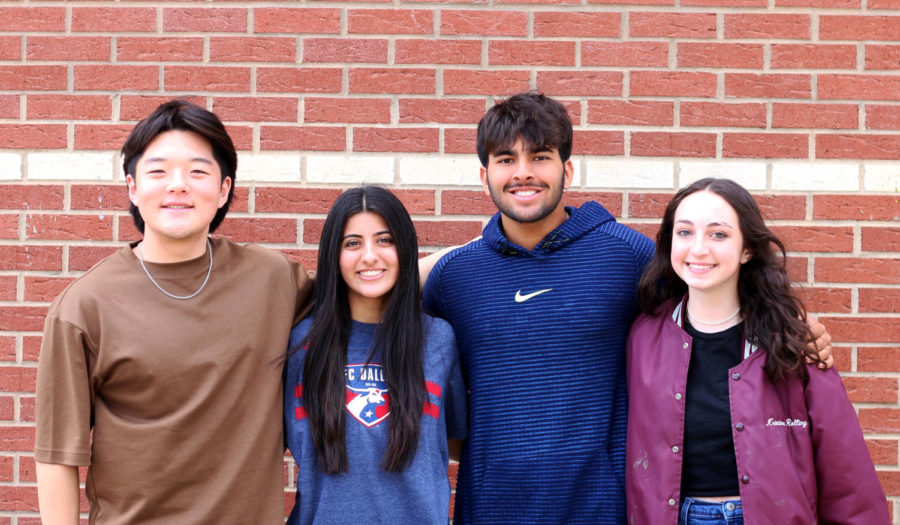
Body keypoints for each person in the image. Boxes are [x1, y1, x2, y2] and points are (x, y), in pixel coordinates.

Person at [421, 92, 834, 524]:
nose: (523, 173)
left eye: (539, 157)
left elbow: (715, 291)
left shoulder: (626, 255)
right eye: (506, 160)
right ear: (484, 174)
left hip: (603, 508)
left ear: (567, 168)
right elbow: (374, 297)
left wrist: (793, 323)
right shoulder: (455, 277)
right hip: (491, 508)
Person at [34, 100, 313, 524]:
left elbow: (366, 287)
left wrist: (447, 264)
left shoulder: (272, 279)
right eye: (158, 171)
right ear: (132, 187)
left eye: (198, 171)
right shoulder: (84, 306)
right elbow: (57, 455)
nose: (178, 185)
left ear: (223, 190)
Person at [625, 178, 888, 524]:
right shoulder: (644, 336)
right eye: (685, 232)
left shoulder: (793, 341)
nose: (699, 249)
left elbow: (845, 468)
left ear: (747, 249)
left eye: (718, 234)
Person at [284, 186, 467, 524]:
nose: (369, 256)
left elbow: (455, 442)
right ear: (334, 256)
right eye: (353, 243)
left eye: (385, 240)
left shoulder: (438, 339)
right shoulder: (301, 344)